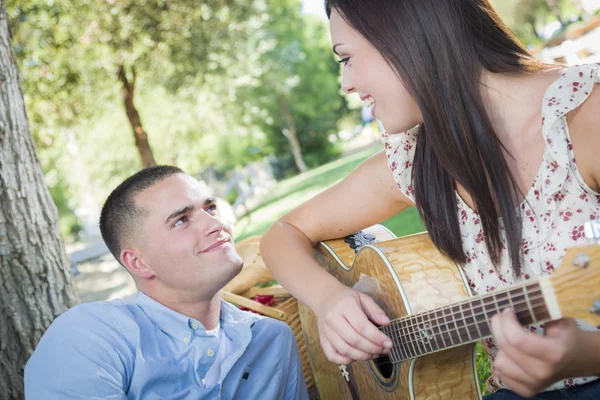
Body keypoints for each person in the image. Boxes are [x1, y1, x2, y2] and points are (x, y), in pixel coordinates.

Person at [259, 0, 600, 398]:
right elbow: (282, 234)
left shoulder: (582, 115)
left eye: (346, 58)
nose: (346, 84)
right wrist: (330, 299)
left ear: (406, 35)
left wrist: (588, 355)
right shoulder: (416, 160)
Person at [25, 166, 308, 400]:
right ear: (138, 262)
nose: (215, 224)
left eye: (210, 208)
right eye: (181, 221)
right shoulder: (90, 338)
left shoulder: (271, 340)